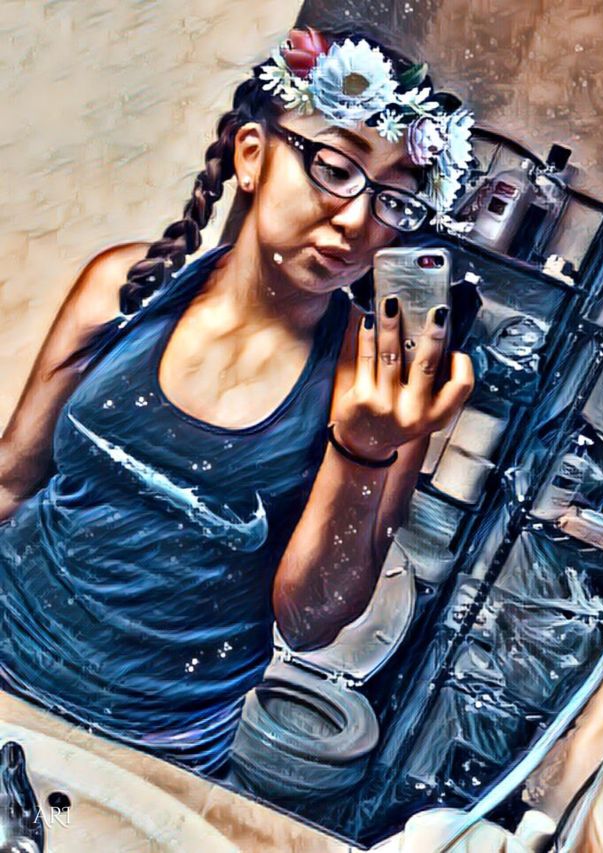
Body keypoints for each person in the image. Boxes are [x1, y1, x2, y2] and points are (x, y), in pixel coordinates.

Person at [0, 24, 473, 780]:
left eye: (394, 201)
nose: (359, 221)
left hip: (160, 747)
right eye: (336, 168)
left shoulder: (379, 390)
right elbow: (11, 481)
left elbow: (309, 622)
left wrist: (364, 450)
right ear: (253, 155)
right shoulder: (125, 287)